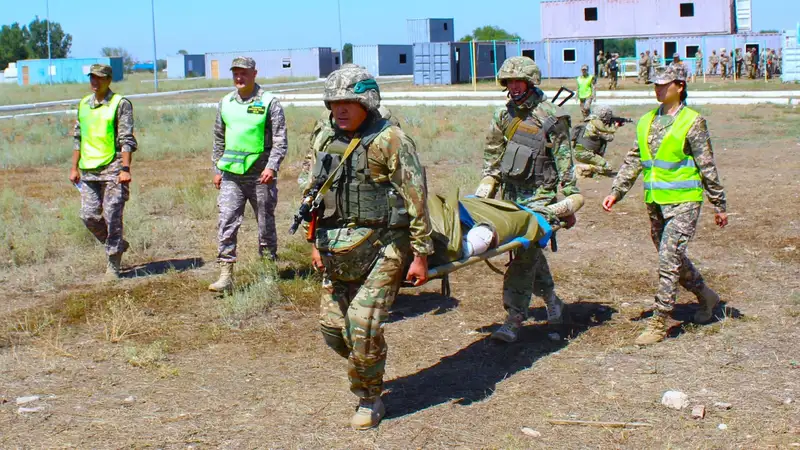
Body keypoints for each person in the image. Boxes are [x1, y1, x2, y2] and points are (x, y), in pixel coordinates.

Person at [303, 66, 432, 429]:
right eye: (334, 103)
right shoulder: (325, 137)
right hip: (337, 246)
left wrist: (420, 254)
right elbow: (313, 192)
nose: (339, 110)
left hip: (387, 244)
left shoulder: (390, 140)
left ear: (367, 102)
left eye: (348, 102)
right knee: (332, 329)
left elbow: (416, 199)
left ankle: (369, 398)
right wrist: (314, 242)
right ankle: (367, 357)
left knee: (362, 324)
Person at [601, 65, 728, 346]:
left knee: (668, 259)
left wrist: (718, 204)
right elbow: (634, 160)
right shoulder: (647, 121)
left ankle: (660, 321)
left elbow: (707, 166)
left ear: (679, 86)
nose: (658, 89)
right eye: (655, 85)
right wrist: (616, 191)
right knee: (673, 258)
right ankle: (706, 296)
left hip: (684, 202)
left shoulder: (693, 122)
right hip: (656, 203)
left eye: (663, 85)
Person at [474, 56, 578, 342]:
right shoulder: (503, 116)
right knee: (528, 253)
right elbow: (492, 159)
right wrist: (485, 192)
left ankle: (514, 317)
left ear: (531, 83)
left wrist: (570, 201)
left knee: (523, 256)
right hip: (511, 195)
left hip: (541, 197)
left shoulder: (552, 116)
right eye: (509, 82)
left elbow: (564, 162)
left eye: (519, 81)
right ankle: (553, 301)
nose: (514, 87)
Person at [208, 56, 288, 292]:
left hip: (260, 176)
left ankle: (267, 269)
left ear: (254, 73)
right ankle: (226, 274)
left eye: (244, 73)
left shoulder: (269, 102)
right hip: (231, 175)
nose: (239, 77)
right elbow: (218, 139)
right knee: (226, 221)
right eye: (235, 73)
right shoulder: (225, 103)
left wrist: (271, 167)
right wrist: (217, 169)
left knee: (265, 224)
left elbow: (280, 140)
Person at [69, 64, 137, 281]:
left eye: (99, 78)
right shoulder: (83, 105)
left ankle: (113, 262)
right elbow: (78, 137)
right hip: (89, 169)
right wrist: (74, 167)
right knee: (88, 216)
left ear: (108, 80)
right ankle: (116, 244)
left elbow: (127, 138)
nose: (94, 82)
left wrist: (125, 169)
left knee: (112, 214)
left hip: (114, 167)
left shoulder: (120, 104)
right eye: (92, 78)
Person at [572, 105, 620, 177]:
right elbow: (609, 138)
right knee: (607, 168)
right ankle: (581, 168)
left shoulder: (589, 121)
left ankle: (586, 171)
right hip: (586, 153)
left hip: (579, 151)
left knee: (596, 168)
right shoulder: (597, 124)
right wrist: (615, 127)